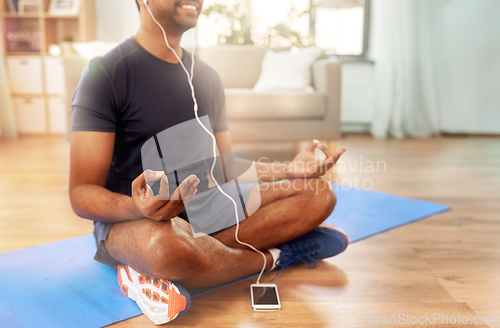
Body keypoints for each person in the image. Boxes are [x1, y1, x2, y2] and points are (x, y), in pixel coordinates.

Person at [69, 0, 348, 324]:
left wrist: (286, 170)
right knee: (164, 247)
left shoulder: (207, 77)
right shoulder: (104, 73)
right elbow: (81, 192)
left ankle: (184, 265)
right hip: (136, 222)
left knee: (317, 193)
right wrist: (138, 208)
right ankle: (280, 255)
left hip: (205, 209)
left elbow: (222, 167)